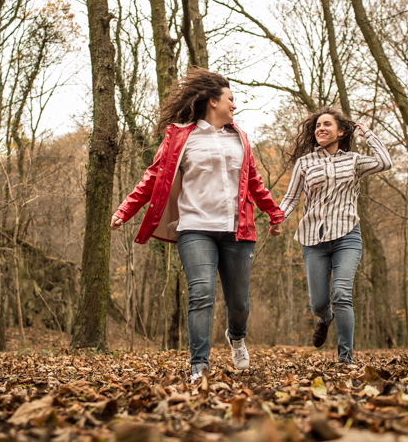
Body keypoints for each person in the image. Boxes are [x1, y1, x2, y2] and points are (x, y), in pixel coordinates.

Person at [111, 68, 284, 382]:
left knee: (239, 303)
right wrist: (126, 209)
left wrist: (274, 213)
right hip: (195, 227)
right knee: (201, 293)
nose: (234, 105)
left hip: (237, 229)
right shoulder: (181, 137)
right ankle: (199, 366)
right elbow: (153, 176)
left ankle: (236, 336)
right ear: (213, 101)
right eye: (230, 99)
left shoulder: (240, 138)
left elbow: (254, 182)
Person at [271, 107, 392, 364]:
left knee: (342, 295)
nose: (321, 128)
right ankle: (325, 318)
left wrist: (368, 134)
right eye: (317, 125)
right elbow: (291, 197)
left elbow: (385, 162)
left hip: (347, 235)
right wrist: (277, 218)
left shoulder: (354, 161)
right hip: (313, 239)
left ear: (341, 131)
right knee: (318, 303)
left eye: (327, 124)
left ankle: (345, 359)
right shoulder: (305, 163)